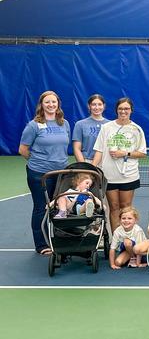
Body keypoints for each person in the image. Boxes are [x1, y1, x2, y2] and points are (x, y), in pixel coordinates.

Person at [19, 90, 71, 255]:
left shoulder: (64, 123)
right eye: (47, 102)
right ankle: (41, 245)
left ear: (58, 104)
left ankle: (59, 239)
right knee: (41, 208)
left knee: (61, 207)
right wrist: (38, 163)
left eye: (54, 102)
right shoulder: (34, 125)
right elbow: (23, 149)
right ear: (41, 105)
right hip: (39, 174)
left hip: (61, 173)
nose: (51, 105)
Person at [92, 97, 147, 231]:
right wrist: (91, 170)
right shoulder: (106, 128)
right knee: (114, 207)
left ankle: (127, 237)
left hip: (129, 175)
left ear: (131, 110)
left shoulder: (137, 129)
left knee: (126, 207)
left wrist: (125, 153)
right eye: (120, 108)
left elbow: (142, 153)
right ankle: (116, 238)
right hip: (109, 175)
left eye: (126, 108)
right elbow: (99, 150)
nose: (123, 111)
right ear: (116, 110)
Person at [72, 94, 109, 163]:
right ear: (89, 106)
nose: (97, 107)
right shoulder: (80, 124)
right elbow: (76, 148)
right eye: (94, 104)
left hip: (105, 162)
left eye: (99, 104)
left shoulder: (110, 125)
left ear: (104, 106)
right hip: (86, 161)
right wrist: (84, 166)